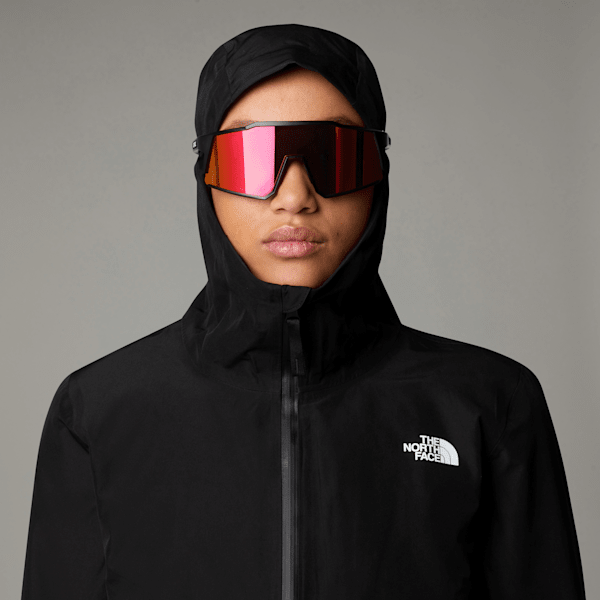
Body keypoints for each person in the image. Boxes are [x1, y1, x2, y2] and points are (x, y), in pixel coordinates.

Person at [21, 24, 586, 600]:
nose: (294, 196)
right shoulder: (96, 413)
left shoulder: (492, 405)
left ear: (378, 175)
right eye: (251, 157)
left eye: (333, 156)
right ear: (205, 178)